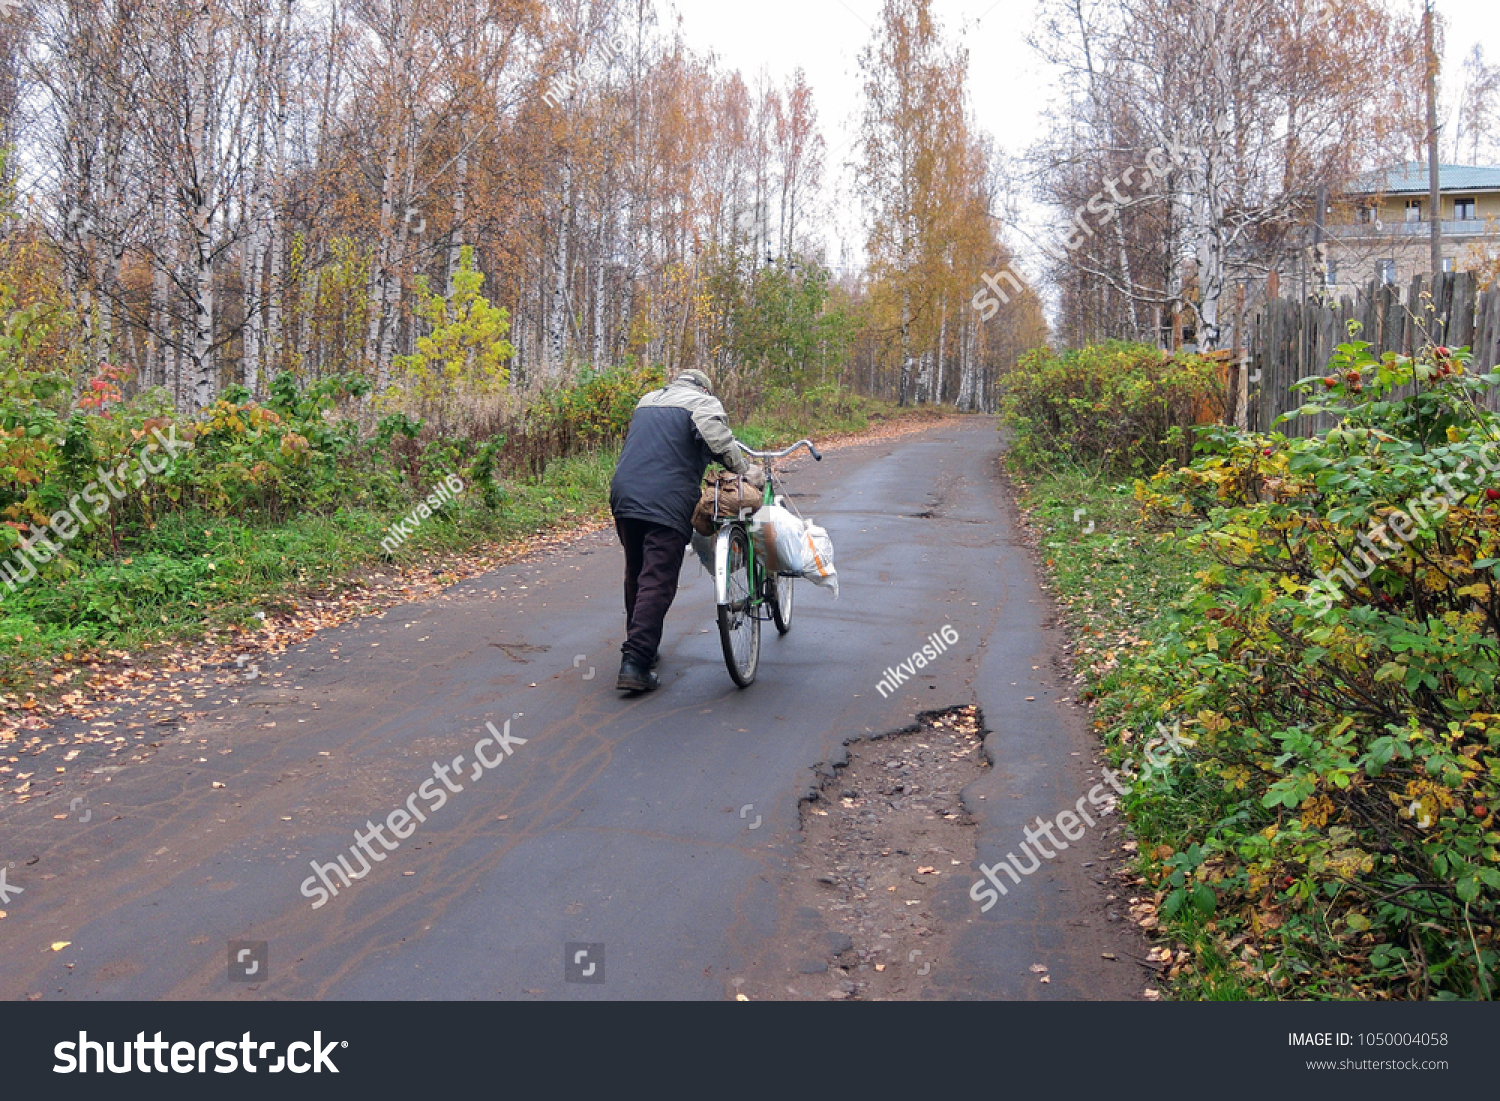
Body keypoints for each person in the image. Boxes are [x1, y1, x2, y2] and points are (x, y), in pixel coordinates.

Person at [608, 369, 764, 692]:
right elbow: (718, 438)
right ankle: (635, 661)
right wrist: (744, 470)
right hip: (667, 499)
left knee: (636, 571)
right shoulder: (701, 403)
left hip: (624, 493)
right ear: (704, 389)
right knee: (657, 577)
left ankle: (641, 648)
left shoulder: (648, 400)